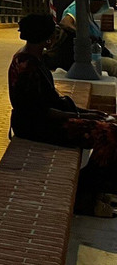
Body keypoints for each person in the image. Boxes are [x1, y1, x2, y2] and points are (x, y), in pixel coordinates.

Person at [9, 14, 117, 217]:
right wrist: (82, 116)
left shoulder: (31, 58)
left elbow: (49, 101)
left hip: (40, 120)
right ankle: (86, 196)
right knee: (109, 135)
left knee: (110, 124)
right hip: (35, 126)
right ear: (47, 37)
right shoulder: (28, 66)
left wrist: (87, 113)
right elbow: (40, 111)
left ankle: (96, 190)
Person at [54, 0, 117, 74]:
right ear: (89, 1)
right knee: (113, 65)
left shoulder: (87, 12)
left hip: (92, 53)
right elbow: (65, 23)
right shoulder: (77, 7)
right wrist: (83, 35)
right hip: (79, 57)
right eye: (96, 4)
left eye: (100, 5)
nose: (98, 8)